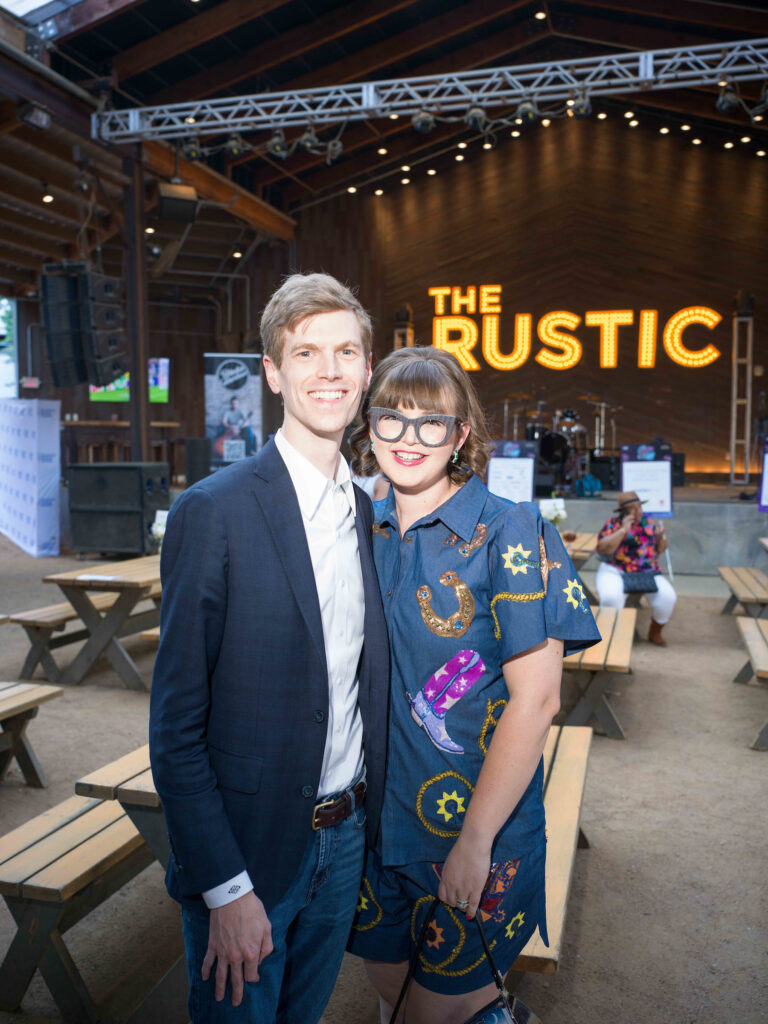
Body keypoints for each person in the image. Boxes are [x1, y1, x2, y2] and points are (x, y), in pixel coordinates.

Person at [149, 272, 390, 1023]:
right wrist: (225, 886)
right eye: (307, 352)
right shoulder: (212, 511)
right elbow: (175, 730)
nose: (329, 371)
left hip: (344, 840)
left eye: (346, 352)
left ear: (367, 370)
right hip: (249, 853)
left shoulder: (366, 510)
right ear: (274, 373)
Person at [346, 347, 600, 1024]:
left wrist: (475, 841)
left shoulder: (510, 531)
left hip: (473, 825)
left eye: (431, 423)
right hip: (373, 821)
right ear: (368, 429)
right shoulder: (357, 526)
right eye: (391, 420)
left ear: (461, 435)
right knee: (387, 989)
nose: (408, 439)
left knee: (435, 1014)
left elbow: (539, 699)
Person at [595, 490, 677, 646]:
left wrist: (660, 538)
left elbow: (660, 550)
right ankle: (609, 637)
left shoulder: (649, 524)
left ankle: (655, 632)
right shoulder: (613, 524)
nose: (638, 511)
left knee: (668, 597)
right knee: (611, 598)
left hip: (646, 571)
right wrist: (623, 530)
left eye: (639, 507)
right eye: (633, 508)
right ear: (624, 511)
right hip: (615, 570)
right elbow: (603, 549)